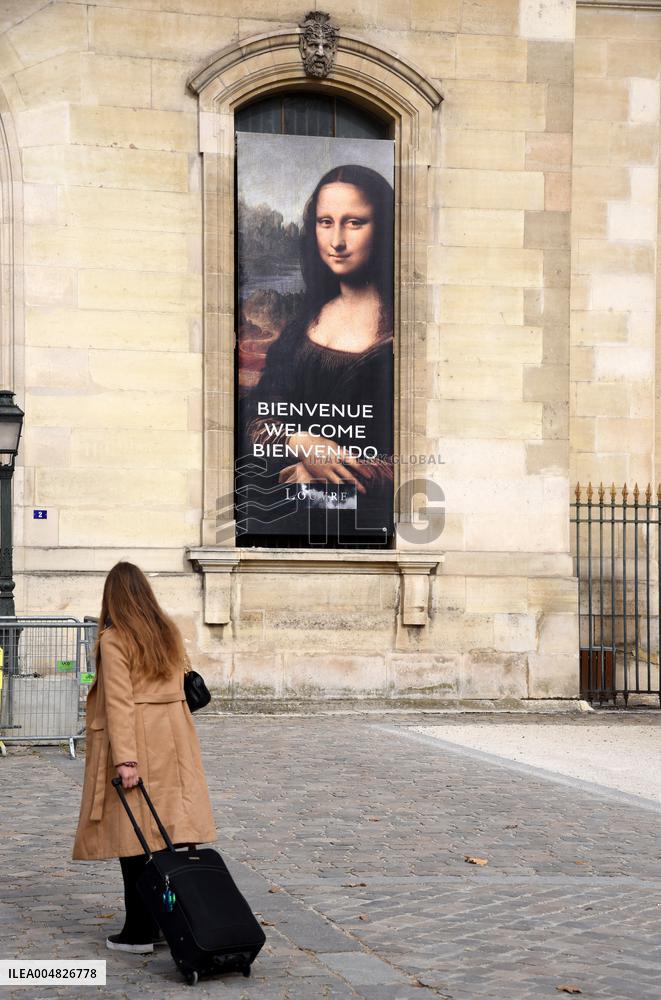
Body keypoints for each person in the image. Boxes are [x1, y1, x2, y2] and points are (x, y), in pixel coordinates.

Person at [240, 163, 394, 532]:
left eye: (354, 223)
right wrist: (301, 442)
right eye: (326, 222)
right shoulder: (302, 326)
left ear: (383, 228)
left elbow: (411, 458)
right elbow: (255, 418)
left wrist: (318, 476)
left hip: (366, 523)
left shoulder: (400, 335)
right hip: (279, 513)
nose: (337, 240)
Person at [73, 562, 216, 954]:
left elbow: (119, 703)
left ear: (112, 597)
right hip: (174, 741)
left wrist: (126, 761)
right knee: (165, 836)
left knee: (133, 838)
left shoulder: (114, 639)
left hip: (137, 741)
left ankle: (139, 930)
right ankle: (164, 923)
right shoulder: (167, 631)